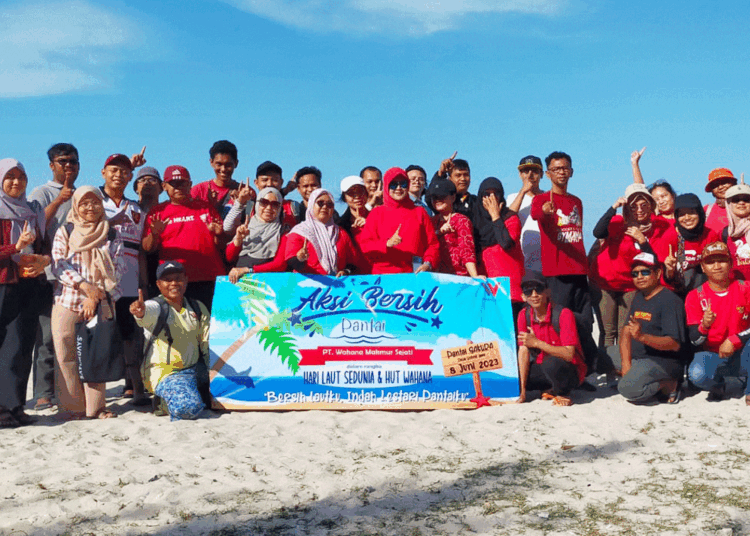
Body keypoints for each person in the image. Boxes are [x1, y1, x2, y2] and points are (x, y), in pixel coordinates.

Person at [51, 186, 124, 420]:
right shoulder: (66, 230)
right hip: (68, 299)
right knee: (65, 353)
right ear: (76, 206)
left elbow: (118, 268)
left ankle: (96, 408)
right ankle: (72, 408)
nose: (90, 207)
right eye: (84, 203)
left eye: (95, 202)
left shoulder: (111, 233)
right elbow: (58, 263)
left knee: (96, 353)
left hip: (100, 301)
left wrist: (96, 295)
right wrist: (85, 288)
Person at [530, 151, 598, 374]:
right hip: (557, 273)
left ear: (571, 171)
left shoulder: (576, 201)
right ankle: (564, 371)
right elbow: (537, 214)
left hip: (579, 270)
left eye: (565, 168)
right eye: (556, 169)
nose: (561, 172)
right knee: (562, 325)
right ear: (548, 173)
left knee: (585, 323)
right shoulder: (542, 200)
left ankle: (584, 370)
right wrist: (545, 213)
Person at [27, 143, 79, 410]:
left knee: (71, 335)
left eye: (73, 161)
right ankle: (43, 392)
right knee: (47, 336)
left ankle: (67, 390)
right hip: (48, 274)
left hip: (77, 274)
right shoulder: (42, 192)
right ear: (51, 165)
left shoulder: (82, 193)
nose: (69, 166)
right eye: (63, 161)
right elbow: (34, 226)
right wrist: (60, 199)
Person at [590, 184, 673, 347]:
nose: (639, 210)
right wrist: (613, 207)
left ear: (651, 207)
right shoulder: (616, 222)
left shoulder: (655, 229)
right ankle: (606, 369)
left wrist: (642, 240)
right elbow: (597, 232)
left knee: (624, 330)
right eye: (633, 206)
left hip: (630, 286)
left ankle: (622, 368)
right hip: (605, 284)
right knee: (608, 332)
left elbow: (653, 261)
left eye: (644, 205)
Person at [0, 159, 49, 427]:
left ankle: (15, 406)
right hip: (3, 283)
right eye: (10, 176)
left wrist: (43, 261)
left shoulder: (33, 211)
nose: (16, 182)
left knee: (20, 345)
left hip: (29, 284)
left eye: (21, 176)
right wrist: (14, 248)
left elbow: (44, 246)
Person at [130, 261, 209, 421]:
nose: (174, 283)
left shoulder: (197, 307)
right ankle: (162, 402)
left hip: (195, 370)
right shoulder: (156, 306)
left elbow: (207, 343)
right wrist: (140, 312)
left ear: (186, 280)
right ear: (158, 284)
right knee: (187, 408)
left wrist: (215, 373)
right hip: (166, 373)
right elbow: (146, 312)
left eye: (178, 278)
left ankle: (196, 391)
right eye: (167, 280)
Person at [99, 153, 148, 404]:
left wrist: (144, 282)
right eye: (113, 170)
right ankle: (95, 393)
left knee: (130, 334)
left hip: (129, 278)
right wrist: (109, 222)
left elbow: (139, 248)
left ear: (130, 177)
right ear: (103, 172)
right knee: (100, 335)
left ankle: (133, 386)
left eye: (124, 171)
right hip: (100, 279)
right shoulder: (92, 200)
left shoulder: (136, 208)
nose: (118, 175)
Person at [142, 165, 226, 312]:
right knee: (179, 331)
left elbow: (222, 245)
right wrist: (154, 234)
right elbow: (147, 248)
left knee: (211, 330)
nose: (178, 187)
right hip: (174, 283)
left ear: (190, 184)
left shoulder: (206, 208)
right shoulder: (157, 212)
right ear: (164, 186)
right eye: (173, 184)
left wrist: (219, 234)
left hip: (209, 279)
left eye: (182, 183)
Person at [616, 253, 686, 404]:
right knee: (600, 357)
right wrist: (626, 366)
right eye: (635, 274)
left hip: (661, 361)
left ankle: (669, 384)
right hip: (638, 356)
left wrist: (642, 337)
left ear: (658, 273)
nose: (639, 277)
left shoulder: (671, 301)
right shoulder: (639, 296)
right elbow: (626, 330)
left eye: (645, 272)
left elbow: (674, 344)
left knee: (627, 389)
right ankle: (634, 375)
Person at [686, 242, 750, 405]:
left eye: (721, 260)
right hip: (714, 355)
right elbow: (694, 340)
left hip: (744, 352)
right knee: (697, 375)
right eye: (710, 262)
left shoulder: (745, 288)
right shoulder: (695, 296)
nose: (716, 266)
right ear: (703, 267)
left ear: (730, 263)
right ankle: (722, 385)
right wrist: (704, 327)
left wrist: (735, 339)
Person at [516, 271, 586, 407]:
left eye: (539, 289)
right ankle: (549, 389)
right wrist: (522, 391)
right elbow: (523, 350)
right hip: (543, 366)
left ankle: (562, 393)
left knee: (551, 363)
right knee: (515, 377)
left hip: (569, 369)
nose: (534, 295)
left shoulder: (563, 314)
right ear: (523, 297)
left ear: (547, 291)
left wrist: (537, 343)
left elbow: (569, 354)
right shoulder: (523, 315)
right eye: (529, 291)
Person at [359, 167, 440, 274]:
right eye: (393, 184)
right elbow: (365, 246)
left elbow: (433, 244)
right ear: (386, 186)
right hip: (384, 277)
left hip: (414, 274)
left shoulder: (420, 212)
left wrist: (428, 263)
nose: (399, 188)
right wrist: (386, 244)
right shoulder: (376, 213)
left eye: (403, 184)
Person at [474, 177, 524, 315]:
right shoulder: (476, 221)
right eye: (486, 195)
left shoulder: (511, 218)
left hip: (511, 292)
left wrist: (495, 216)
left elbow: (506, 243)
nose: (491, 199)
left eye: (495, 194)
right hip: (486, 290)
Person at [284, 188, 360, 276]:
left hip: (337, 285)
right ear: (312, 205)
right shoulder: (300, 231)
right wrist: (299, 258)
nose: (325, 207)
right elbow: (290, 261)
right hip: (307, 285)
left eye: (329, 204)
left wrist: (346, 271)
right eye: (320, 203)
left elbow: (353, 262)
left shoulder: (341, 232)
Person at [226, 187, 290, 281]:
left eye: (275, 204)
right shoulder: (246, 227)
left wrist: (248, 270)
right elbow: (229, 257)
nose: (269, 208)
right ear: (257, 204)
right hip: (240, 285)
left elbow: (280, 265)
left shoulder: (284, 232)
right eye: (264, 202)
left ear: (280, 208)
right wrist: (238, 239)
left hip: (268, 287)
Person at [662, 194, 718, 299]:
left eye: (691, 212)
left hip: (705, 291)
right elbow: (667, 278)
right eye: (682, 214)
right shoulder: (670, 236)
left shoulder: (710, 235)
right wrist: (669, 270)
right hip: (676, 292)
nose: (687, 218)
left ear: (699, 213)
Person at [427, 179, 478, 277]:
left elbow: (467, 251)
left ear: (453, 197)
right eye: (434, 197)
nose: (437, 200)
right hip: (435, 278)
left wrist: (475, 277)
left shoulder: (461, 220)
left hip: (458, 278)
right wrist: (439, 232)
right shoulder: (430, 222)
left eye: (441, 196)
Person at [191, 140, 248, 220]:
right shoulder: (198, 191)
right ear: (211, 162)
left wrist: (242, 202)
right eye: (219, 164)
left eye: (228, 165)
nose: (223, 169)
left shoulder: (246, 192)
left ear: (236, 163)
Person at [506, 155, 545, 273]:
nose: (530, 175)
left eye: (534, 171)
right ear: (520, 174)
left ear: (541, 174)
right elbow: (508, 217)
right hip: (522, 263)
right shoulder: (512, 197)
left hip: (546, 263)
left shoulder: (548, 197)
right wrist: (523, 191)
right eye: (525, 171)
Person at [336, 176, 371, 273]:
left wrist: (371, 225)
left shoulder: (378, 217)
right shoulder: (340, 225)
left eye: (360, 192)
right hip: (353, 278)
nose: (357, 196)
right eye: (351, 193)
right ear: (344, 197)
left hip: (378, 274)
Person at [631, 147, 676, 219]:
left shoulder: (686, 217)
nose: (661, 202)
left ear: (673, 196)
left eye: (663, 196)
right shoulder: (653, 220)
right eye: (656, 199)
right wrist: (635, 164)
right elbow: (640, 190)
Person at [428, 152, 475, 219]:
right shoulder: (444, 201)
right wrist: (441, 174)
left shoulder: (477, 202)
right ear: (449, 178)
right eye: (458, 175)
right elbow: (430, 196)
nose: (463, 179)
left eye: (466, 175)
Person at [721, 182, 750, 281]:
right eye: (736, 200)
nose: (741, 203)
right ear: (728, 204)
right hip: (738, 290)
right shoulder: (725, 233)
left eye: (746, 199)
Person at [704, 168, 738, 235]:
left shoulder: (745, 206)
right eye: (715, 185)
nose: (720, 187)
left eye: (724, 182)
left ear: (733, 183)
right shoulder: (706, 210)